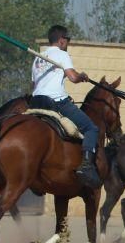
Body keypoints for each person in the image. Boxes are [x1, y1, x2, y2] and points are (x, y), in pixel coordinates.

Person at [30, 24, 101, 188]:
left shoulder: (38, 57)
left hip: (37, 100)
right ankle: (86, 166)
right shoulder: (62, 54)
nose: (67, 43)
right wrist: (81, 76)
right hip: (56, 101)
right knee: (91, 128)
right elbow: (73, 78)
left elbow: (33, 85)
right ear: (62, 40)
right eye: (67, 40)